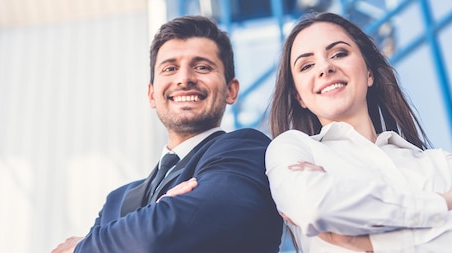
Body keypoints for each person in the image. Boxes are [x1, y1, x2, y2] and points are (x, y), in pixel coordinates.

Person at [265, 12, 452, 252]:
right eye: (306, 65)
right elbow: (317, 207)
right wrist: (445, 202)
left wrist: (373, 244)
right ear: (299, 97)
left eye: (339, 53)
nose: (325, 68)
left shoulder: (437, 162)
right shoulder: (291, 149)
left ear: (369, 73)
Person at [51, 15, 283, 253]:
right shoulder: (117, 200)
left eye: (202, 67)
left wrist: (81, 247)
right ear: (152, 94)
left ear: (231, 91)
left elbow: (156, 239)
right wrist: (158, 215)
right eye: (170, 68)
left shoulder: (248, 150)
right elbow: (159, 233)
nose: (184, 79)